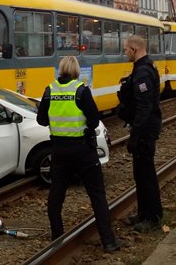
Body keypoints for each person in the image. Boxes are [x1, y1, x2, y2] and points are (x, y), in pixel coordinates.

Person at [36, 56, 121, 253]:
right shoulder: (81, 91)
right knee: (97, 194)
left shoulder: (49, 90)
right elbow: (93, 120)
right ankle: (108, 241)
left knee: (56, 194)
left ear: (60, 69)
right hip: (83, 150)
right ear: (75, 71)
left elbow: (41, 120)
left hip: (59, 150)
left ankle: (57, 236)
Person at [118, 35, 163, 233]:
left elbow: (144, 106)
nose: (125, 52)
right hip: (145, 128)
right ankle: (144, 213)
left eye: (126, 49)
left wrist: (135, 135)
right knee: (141, 173)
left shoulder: (143, 72)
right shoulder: (145, 67)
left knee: (145, 174)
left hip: (145, 130)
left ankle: (152, 217)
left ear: (135, 49)